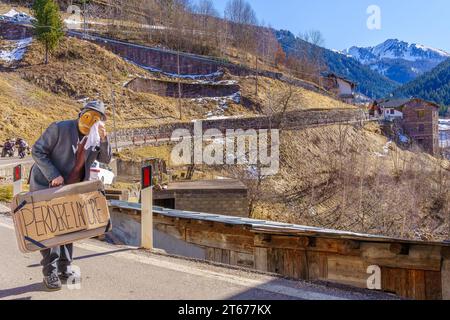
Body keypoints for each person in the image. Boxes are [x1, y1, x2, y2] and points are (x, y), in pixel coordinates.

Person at [30, 100, 112, 291]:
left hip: (72, 187)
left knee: (68, 227)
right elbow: (37, 150)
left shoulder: (95, 137)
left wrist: (105, 139)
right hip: (47, 184)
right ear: (81, 113)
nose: (91, 120)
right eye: (88, 115)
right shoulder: (59, 128)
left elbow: (106, 159)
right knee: (49, 229)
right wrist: (54, 174)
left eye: (96, 118)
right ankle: (49, 272)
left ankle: (64, 268)